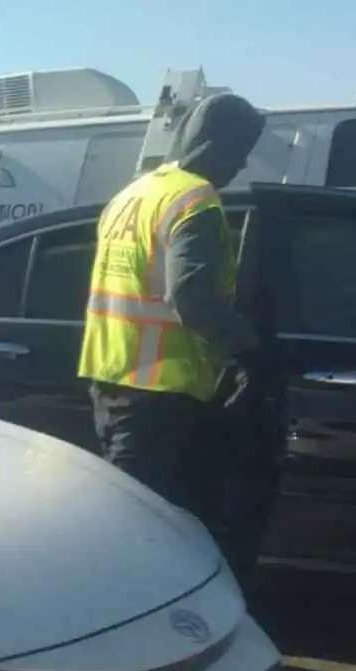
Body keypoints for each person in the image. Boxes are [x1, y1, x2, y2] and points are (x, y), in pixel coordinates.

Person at [79, 94, 267, 541]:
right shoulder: (195, 201)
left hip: (111, 381)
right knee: (143, 538)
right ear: (212, 147)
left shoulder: (134, 193)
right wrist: (248, 352)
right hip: (160, 395)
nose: (240, 167)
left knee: (128, 519)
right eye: (238, 153)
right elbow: (191, 298)